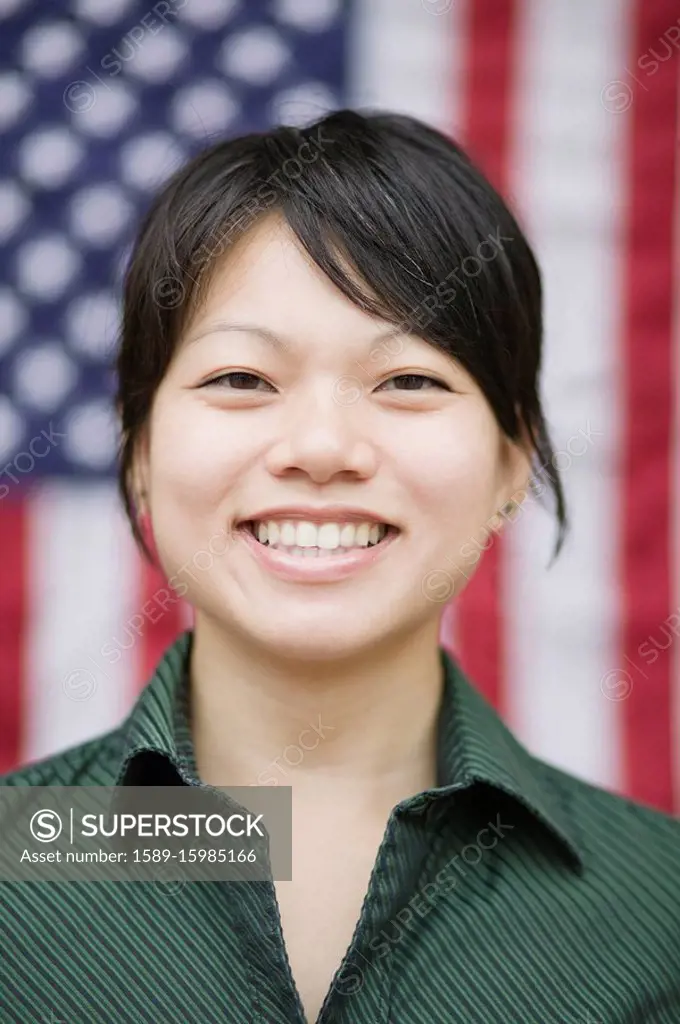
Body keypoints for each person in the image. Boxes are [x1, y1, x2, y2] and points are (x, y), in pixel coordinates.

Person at [2, 108, 679, 1024]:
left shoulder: (658, 911)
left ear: (513, 464)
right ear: (140, 453)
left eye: (408, 381)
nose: (322, 447)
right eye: (241, 379)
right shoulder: (19, 868)